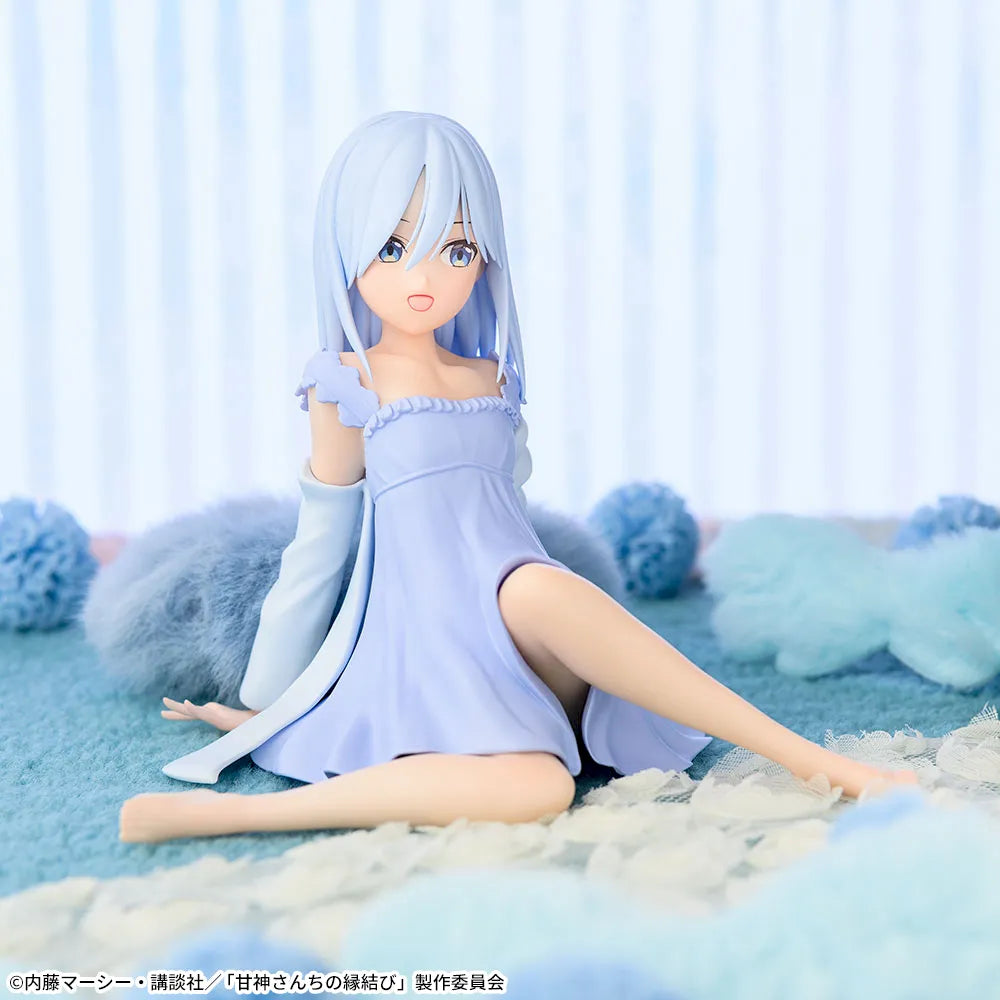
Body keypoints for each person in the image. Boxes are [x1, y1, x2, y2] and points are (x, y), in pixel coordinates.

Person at [119, 112, 917, 843]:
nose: (424, 277)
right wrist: (271, 703)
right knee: (540, 787)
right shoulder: (346, 382)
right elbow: (320, 546)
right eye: (391, 248)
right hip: (430, 654)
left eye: (456, 250)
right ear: (346, 246)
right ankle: (223, 817)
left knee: (535, 586)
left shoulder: (492, 378)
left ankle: (822, 766)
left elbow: (505, 518)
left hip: (529, 627)